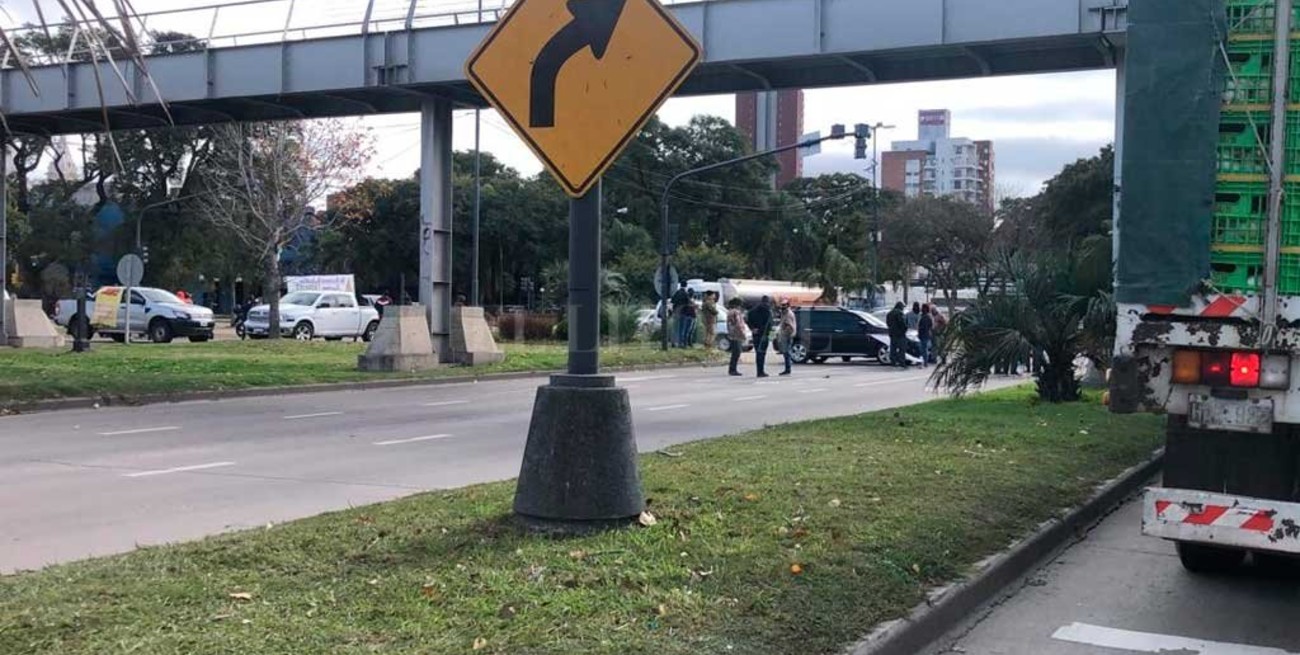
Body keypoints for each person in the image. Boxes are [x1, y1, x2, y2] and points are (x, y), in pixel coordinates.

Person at [746, 295, 774, 378]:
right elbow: (771, 325)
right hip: (765, 334)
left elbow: (747, 319)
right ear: (768, 302)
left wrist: (752, 328)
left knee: (758, 353)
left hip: (756, 334)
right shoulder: (768, 311)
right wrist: (771, 338)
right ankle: (761, 371)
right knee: (762, 353)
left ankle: (759, 371)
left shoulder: (752, 311)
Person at [776, 298, 797, 376]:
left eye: (784, 305)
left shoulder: (788, 314)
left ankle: (788, 369)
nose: (782, 306)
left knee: (786, 352)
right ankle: (787, 369)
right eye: (782, 305)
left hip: (787, 336)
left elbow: (790, 326)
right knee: (785, 352)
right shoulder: (784, 313)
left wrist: (786, 333)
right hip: (785, 335)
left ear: (788, 305)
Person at [726, 298, 746, 376]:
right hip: (737, 334)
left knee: (734, 352)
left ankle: (732, 369)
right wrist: (743, 334)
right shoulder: (736, 312)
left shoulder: (729, 312)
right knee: (737, 352)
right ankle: (733, 369)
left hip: (732, 333)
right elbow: (738, 324)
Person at [670, 281, 693, 347]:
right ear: (686, 286)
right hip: (683, 312)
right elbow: (688, 303)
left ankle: (673, 342)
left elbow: (672, 301)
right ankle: (680, 343)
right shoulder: (685, 294)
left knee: (675, 328)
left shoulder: (676, 293)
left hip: (675, 311)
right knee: (681, 328)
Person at [886, 301, 908, 368]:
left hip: (892, 333)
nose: (903, 308)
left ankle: (893, 362)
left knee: (893, 348)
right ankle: (902, 363)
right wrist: (905, 329)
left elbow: (888, 323)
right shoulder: (899, 313)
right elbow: (902, 323)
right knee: (902, 349)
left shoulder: (889, 313)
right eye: (903, 307)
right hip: (900, 334)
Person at [918, 303, 935, 368]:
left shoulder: (927, 316)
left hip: (925, 334)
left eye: (923, 308)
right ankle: (924, 362)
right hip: (922, 334)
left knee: (924, 349)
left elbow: (931, 326)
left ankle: (925, 362)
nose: (922, 309)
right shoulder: (923, 316)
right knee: (922, 349)